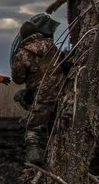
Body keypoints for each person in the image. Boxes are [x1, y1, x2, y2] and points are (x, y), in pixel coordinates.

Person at [10, 15, 63, 164]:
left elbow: (18, 79)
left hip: (42, 96)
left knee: (33, 128)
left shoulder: (22, 53)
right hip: (62, 93)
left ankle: (34, 157)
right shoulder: (51, 46)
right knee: (57, 125)